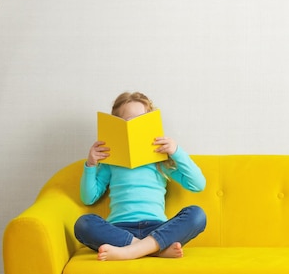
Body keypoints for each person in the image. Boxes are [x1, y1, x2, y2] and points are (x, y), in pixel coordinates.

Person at [74, 92, 206, 261]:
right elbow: (89, 198)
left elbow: (197, 184)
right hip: (120, 231)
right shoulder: (111, 161)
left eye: (140, 120)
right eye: (129, 121)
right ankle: (154, 250)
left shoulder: (160, 159)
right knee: (83, 224)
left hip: (158, 229)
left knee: (197, 214)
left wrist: (176, 152)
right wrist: (91, 164)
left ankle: (130, 252)